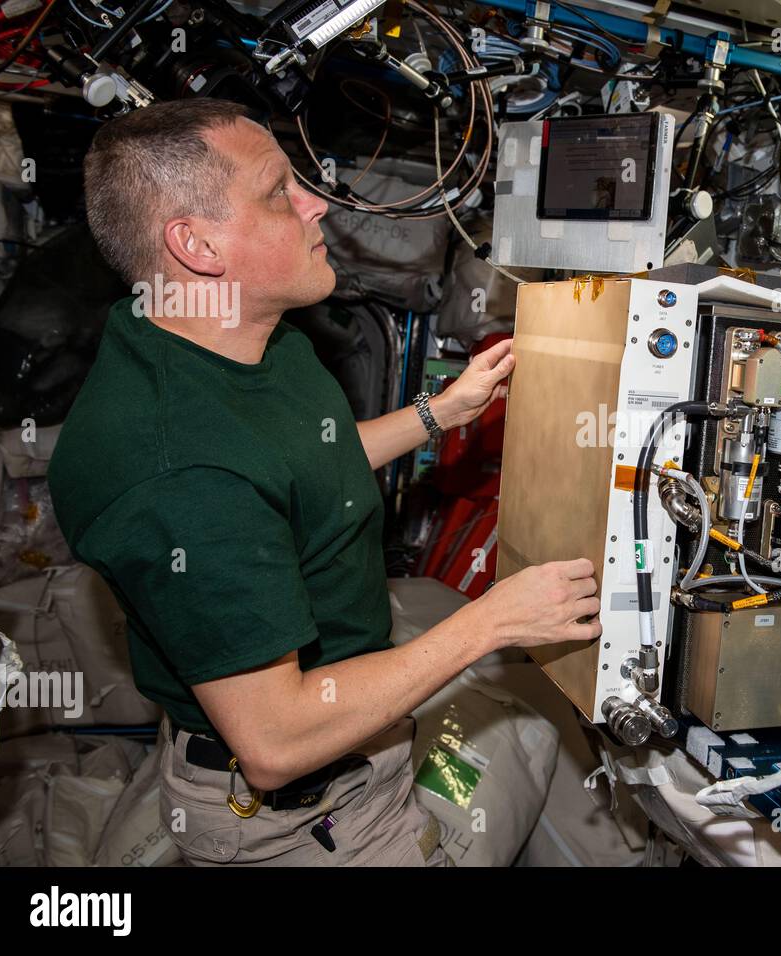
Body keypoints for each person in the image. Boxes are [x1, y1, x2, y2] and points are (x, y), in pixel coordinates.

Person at [47, 98, 600, 866]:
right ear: (197, 244)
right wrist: (493, 624)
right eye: (279, 192)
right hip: (305, 812)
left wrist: (441, 413)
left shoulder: (220, 335)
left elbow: (298, 460)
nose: (317, 206)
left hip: (348, 730)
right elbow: (275, 742)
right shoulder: (180, 475)